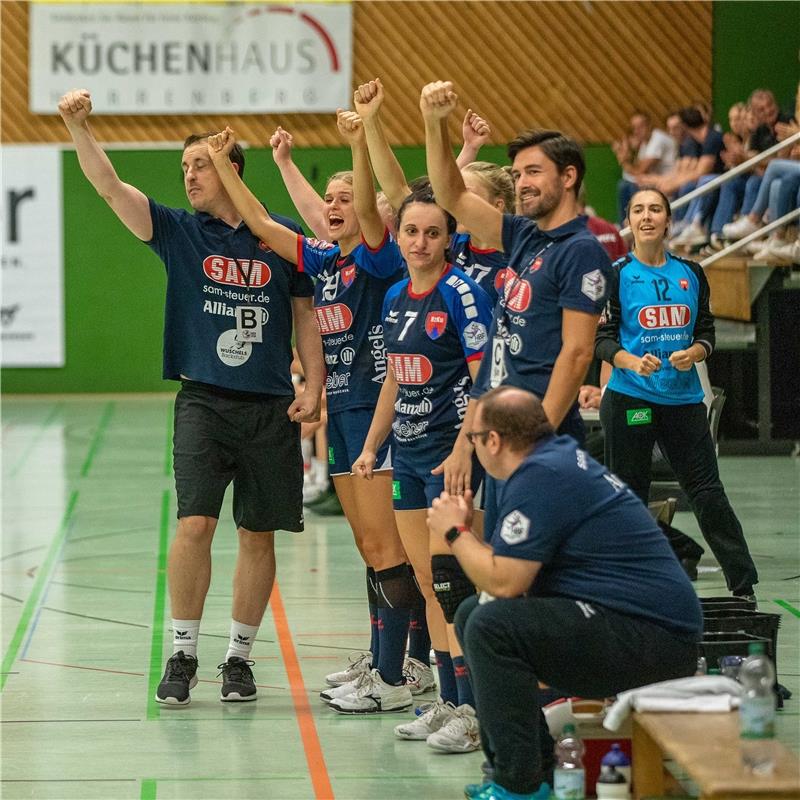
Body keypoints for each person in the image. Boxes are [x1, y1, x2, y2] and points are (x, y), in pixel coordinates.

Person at [57, 90, 324, 705]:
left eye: (199, 165)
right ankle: (181, 654)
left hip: (269, 405)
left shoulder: (278, 237)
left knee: (258, 533)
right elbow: (109, 186)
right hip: (203, 400)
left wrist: (313, 382)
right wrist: (77, 126)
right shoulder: (178, 231)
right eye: (184, 168)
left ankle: (238, 659)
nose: (189, 175)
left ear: (232, 169)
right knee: (194, 522)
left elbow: (305, 313)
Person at [205, 115, 438, 713]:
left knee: (389, 547)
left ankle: (398, 673)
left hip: (378, 412)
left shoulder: (381, 262)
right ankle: (391, 660)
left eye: (345, 199)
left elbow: (364, 203)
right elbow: (260, 221)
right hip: (343, 412)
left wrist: (359, 142)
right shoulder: (321, 259)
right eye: (327, 199)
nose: (334, 206)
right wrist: (229, 165)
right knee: (370, 545)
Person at [425, 386, 702, 800]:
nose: (474, 449)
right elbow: (505, 574)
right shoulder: (551, 461)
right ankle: (534, 771)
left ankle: (518, 786)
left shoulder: (541, 476)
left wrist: (455, 531)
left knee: (488, 626)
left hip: (653, 639)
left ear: (494, 441)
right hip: (638, 626)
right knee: (471, 615)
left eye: (474, 440)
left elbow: (505, 582)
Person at [420, 79, 612, 539]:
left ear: (568, 178)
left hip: (539, 434)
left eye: (534, 172)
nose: (522, 183)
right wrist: (433, 123)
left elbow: (577, 353)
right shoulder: (525, 236)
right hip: (499, 430)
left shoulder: (581, 251)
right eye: (518, 174)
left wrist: (537, 435)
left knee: (537, 567)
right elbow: (449, 196)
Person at [353, 188, 493, 751]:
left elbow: (487, 379)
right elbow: (393, 378)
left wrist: (465, 448)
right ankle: (447, 699)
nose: (420, 242)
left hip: (449, 460)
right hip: (406, 458)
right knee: (429, 588)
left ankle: (477, 709)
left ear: (450, 238)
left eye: (432, 233)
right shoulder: (393, 296)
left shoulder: (464, 294)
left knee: (456, 587)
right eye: (411, 231)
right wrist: (370, 446)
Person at [595, 187, 758, 600]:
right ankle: (629, 586)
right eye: (638, 210)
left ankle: (743, 585)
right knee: (630, 492)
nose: (646, 216)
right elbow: (602, 338)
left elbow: (706, 332)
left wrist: (696, 352)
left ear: (668, 221)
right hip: (632, 398)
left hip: (683, 401)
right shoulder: (615, 274)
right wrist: (629, 362)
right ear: (628, 223)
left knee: (707, 492)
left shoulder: (692, 273)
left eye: (655, 209)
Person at [614, 110, 677, 225]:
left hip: (668, 183)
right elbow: (636, 171)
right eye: (634, 128)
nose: (637, 131)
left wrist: (623, 160)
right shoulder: (644, 143)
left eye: (640, 127)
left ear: (649, 125)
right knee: (624, 185)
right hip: (653, 182)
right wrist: (629, 153)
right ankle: (624, 226)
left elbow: (639, 171)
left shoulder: (658, 139)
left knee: (632, 186)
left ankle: (633, 223)